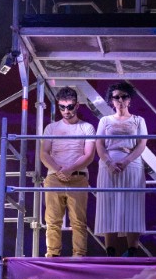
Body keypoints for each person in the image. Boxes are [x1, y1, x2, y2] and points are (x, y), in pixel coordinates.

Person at [40, 86, 96, 257]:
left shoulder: (86, 127)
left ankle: (79, 256)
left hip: (78, 178)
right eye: (62, 107)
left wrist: (70, 170)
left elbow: (89, 155)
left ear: (77, 105)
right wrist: (59, 170)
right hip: (54, 177)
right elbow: (43, 154)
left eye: (70, 107)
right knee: (52, 220)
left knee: (78, 221)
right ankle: (52, 255)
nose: (66, 111)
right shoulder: (51, 128)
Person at [94, 82, 148, 257]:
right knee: (108, 204)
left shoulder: (139, 120)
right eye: (116, 97)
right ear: (111, 100)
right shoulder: (105, 121)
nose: (120, 100)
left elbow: (142, 144)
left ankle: (133, 250)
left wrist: (126, 161)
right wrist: (109, 162)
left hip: (131, 165)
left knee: (133, 204)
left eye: (124, 96)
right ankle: (110, 251)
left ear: (129, 99)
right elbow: (99, 144)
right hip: (108, 165)